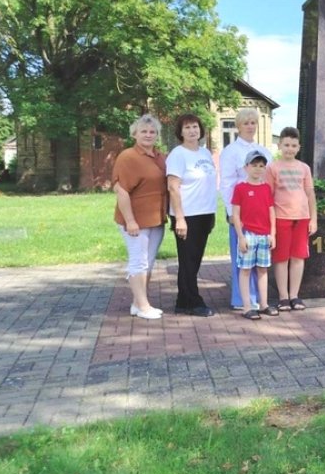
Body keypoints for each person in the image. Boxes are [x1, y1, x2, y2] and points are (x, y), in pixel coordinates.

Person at [113, 114, 168, 320]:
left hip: (156, 219)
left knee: (148, 262)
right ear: (134, 134)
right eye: (143, 131)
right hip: (135, 221)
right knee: (138, 262)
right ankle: (144, 307)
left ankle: (137, 304)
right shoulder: (127, 157)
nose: (148, 135)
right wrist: (130, 221)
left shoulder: (160, 157)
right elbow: (121, 190)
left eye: (152, 132)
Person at [219, 108, 271, 309]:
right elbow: (226, 183)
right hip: (241, 210)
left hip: (260, 213)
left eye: (253, 122)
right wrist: (231, 213)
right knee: (243, 257)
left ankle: (259, 298)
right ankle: (242, 300)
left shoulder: (263, 150)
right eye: (246, 123)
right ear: (238, 126)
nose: (250, 126)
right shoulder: (230, 151)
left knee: (259, 258)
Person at [166, 113, 218, 317]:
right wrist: (179, 218)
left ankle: (182, 301)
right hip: (187, 215)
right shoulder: (177, 155)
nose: (192, 131)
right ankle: (193, 302)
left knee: (194, 260)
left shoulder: (205, 153)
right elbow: (173, 187)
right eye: (187, 127)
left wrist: (211, 213)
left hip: (205, 213)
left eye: (195, 126)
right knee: (188, 260)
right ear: (180, 132)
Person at [267, 126, 317, 312]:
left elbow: (310, 194)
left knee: (298, 257)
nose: (290, 149)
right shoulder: (272, 168)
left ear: (299, 147)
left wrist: (313, 219)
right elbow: (268, 196)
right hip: (281, 218)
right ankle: (283, 297)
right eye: (286, 145)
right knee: (281, 258)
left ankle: (295, 295)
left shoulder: (304, 168)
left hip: (302, 218)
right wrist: (270, 223)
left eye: (293, 145)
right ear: (279, 145)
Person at [231, 150, 277, 320]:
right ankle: (247, 306)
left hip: (264, 235)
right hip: (248, 234)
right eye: (254, 165)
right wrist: (241, 237)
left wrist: (272, 234)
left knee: (263, 270)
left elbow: (271, 212)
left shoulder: (266, 188)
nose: (258, 169)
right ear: (246, 167)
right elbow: (236, 214)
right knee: (245, 271)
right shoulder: (240, 188)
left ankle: (263, 304)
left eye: (261, 166)